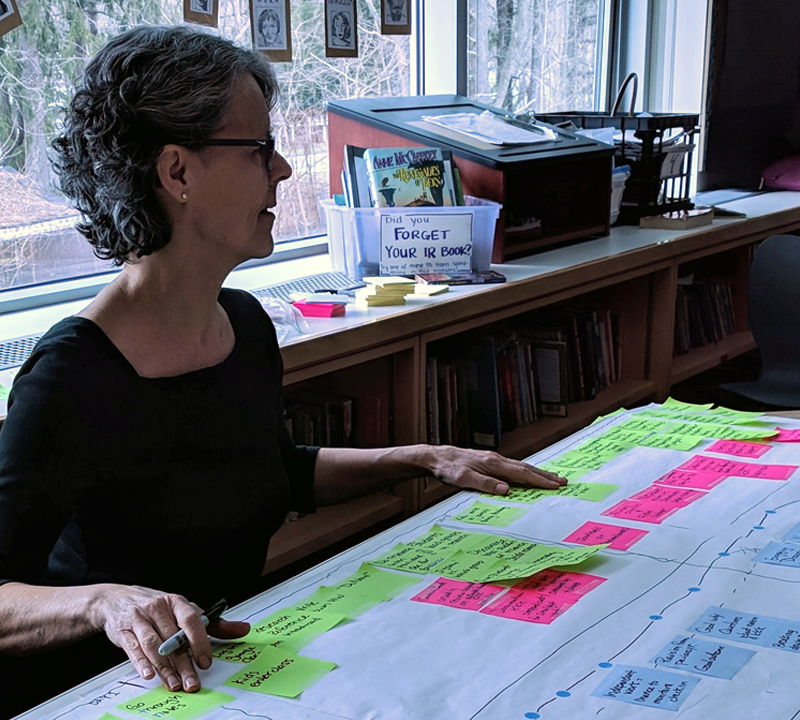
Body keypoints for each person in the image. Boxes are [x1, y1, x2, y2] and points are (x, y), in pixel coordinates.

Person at [0, 25, 564, 719]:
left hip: (234, 677)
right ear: (177, 172)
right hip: (104, 695)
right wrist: (104, 602)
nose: (284, 170)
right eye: (260, 150)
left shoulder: (243, 323)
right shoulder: (68, 379)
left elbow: (268, 471)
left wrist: (421, 458)